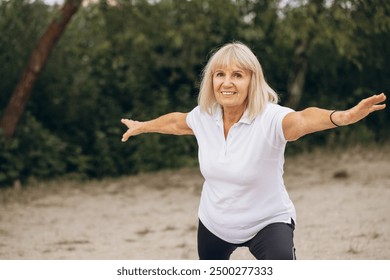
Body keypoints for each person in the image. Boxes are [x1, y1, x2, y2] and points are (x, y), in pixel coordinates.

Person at [120, 42, 386, 260]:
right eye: (220, 74)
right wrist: (142, 126)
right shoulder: (205, 116)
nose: (227, 82)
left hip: (267, 222)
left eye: (238, 75)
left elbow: (303, 119)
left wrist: (343, 117)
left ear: (252, 81)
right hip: (215, 223)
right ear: (211, 80)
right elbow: (177, 122)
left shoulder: (270, 118)